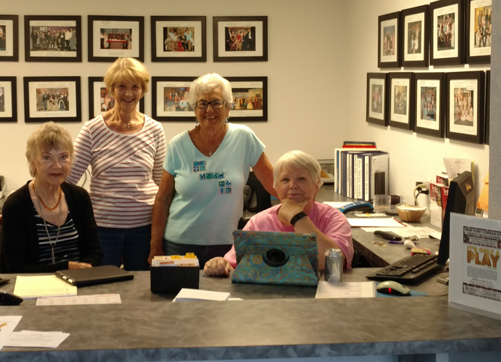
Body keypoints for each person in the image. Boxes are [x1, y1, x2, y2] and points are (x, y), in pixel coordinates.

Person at [149, 73, 276, 268]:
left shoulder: (244, 138)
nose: (209, 110)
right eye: (202, 103)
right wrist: (155, 247)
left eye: (216, 102)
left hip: (227, 245)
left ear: (228, 107)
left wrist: (307, 209)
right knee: (176, 298)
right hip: (179, 244)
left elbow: (274, 184)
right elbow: (163, 199)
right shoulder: (178, 145)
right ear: (194, 109)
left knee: (223, 298)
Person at [67, 58, 166, 271]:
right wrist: (27, 203)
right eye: (122, 86)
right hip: (102, 229)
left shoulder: (155, 130)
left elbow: (161, 184)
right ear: (111, 89)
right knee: (103, 288)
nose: (128, 93)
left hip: (144, 229)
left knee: (142, 292)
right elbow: (67, 178)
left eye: (135, 87)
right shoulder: (92, 130)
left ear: (143, 90)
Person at [204, 151, 353, 276]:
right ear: (276, 187)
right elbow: (233, 263)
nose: (292, 185)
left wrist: (297, 217)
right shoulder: (259, 222)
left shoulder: (333, 218)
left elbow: (334, 262)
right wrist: (219, 263)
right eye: (285, 179)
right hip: (268, 301)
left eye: (301, 178)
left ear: (316, 186)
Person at [0, 122, 103, 273]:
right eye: (47, 158)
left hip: (79, 285)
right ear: (33, 162)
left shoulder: (80, 198)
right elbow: (15, 268)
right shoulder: (16, 205)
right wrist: (65, 268)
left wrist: (83, 270)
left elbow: (95, 252)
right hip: (34, 290)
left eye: (63, 157)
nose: (57, 165)